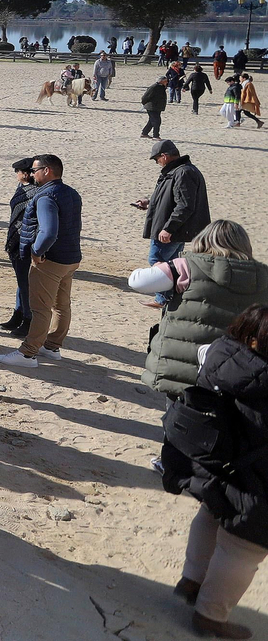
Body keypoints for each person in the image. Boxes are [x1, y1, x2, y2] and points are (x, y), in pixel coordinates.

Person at [162, 305, 268, 637]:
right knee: (246, 546)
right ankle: (211, 615)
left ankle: (191, 581)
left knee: (212, 514)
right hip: (254, 477)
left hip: (214, 462)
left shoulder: (220, 353)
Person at [136, 220, 268, 396]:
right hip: (236, 371)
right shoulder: (263, 276)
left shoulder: (187, 266)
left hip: (184, 368)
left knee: (183, 417)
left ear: (203, 240)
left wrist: (163, 267)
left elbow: (138, 281)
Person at [0, 154, 82, 369]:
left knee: (41, 308)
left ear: (47, 171)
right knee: (62, 305)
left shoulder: (46, 196)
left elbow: (48, 232)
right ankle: (52, 347)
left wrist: (36, 251)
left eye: (35, 170)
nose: (32, 174)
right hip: (70, 258)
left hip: (50, 261)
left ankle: (28, 353)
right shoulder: (71, 193)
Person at [136, 140, 211, 264]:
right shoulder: (179, 171)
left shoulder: (183, 173)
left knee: (157, 262)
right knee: (172, 265)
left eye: (156, 159)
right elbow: (174, 200)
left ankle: (163, 283)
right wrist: (150, 204)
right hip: (176, 230)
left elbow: (185, 206)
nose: (157, 163)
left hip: (171, 231)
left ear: (164, 156)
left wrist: (168, 229)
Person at [1, 158, 38, 337]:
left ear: (25, 174)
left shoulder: (33, 193)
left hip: (25, 242)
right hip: (18, 240)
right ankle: (18, 315)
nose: (16, 174)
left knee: (25, 283)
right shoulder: (24, 189)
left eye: (18, 171)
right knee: (21, 282)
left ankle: (28, 319)